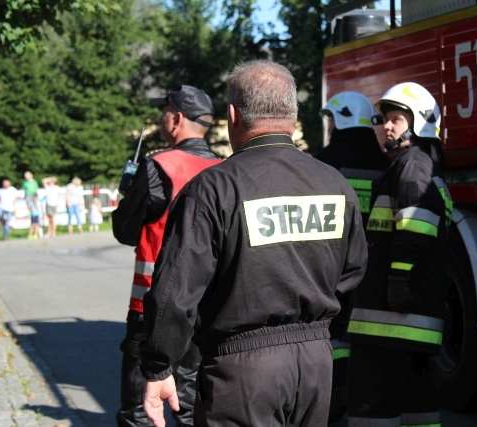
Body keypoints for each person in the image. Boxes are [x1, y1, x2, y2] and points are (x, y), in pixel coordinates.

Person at [140, 59, 368, 427]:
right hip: (315, 364)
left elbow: (176, 291)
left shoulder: (213, 188)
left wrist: (157, 365)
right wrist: (320, 334)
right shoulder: (334, 184)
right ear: (291, 116)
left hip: (242, 371)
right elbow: (354, 272)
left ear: (233, 115)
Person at [112, 84, 222, 427]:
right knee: (190, 407)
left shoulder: (158, 166)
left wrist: (127, 192)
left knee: (142, 410)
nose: (161, 120)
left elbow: (125, 231)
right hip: (205, 309)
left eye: (164, 113)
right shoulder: (225, 170)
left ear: (176, 119)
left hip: (152, 309)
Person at [346, 82, 453, 427]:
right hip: (406, 320)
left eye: (396, 119)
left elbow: (415, 227)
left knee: (370, 408)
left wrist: (398, 279)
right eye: (383, 119)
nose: (386, 126)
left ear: (420, 123)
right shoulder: (418, 164)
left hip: (389, 318)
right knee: (416, 405)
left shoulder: (412, 166)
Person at [315, 90, 391, 426]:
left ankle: (334, 404)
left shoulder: (328, 157)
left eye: (331, 119)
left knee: (333, 334)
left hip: (333, 263)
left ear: (341, 119)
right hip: (372, 261)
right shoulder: (383, 160)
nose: (329, 126)